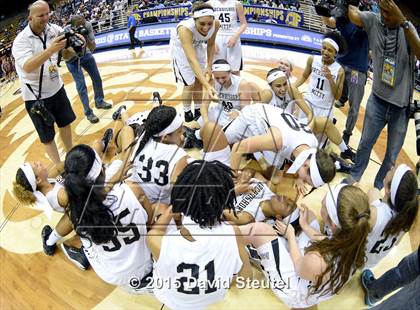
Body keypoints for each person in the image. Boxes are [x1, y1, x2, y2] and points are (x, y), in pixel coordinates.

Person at [238, 184, 371, 308]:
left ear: (334, 225)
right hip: (314, 271)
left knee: (260, 231)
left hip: (295, 288)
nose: (321, 202)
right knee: (309, 217)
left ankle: (230, 235)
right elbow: (327, 240)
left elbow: (299, 266)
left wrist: (290, 235)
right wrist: (305, 226)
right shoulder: (354, 235)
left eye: (323, 205)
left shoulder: (318, 259)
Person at [147, 160, 252, 310]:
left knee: (159, 211)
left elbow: (155, 231)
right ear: (224, 201)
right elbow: (246, 278)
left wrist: (174, 207)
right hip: (213, 296)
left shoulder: (156, 240)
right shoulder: (232, 231)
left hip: (170, 298)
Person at [347, 0, 420, 189]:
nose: (384, 16)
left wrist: (403, 22)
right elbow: (354, 15)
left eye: (389, 13)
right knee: (364, 145)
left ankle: (379, 186)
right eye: (382, 11)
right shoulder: (373, 20)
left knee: (391, 156)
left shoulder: (408, 28)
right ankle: (355, 175)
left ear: (399, 11)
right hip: (377, 101)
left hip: (401, 107)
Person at [63, 144, 153, 292]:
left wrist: (111, 183)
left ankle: (82, 255)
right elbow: (149, 223)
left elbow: (95, 201)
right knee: (159, 209)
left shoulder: (74, 214)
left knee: (90, 246)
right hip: (144, 263)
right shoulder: (132, 188)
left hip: (112, 274)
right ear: (102, 170)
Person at [12, 0, 76, 164]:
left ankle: (70, 156)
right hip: (35, 97)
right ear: (30, 18)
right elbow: (27, 66)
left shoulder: (53, 29)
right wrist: (51, 50)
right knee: (47, 137)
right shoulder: (21, 41)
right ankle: (58, 166)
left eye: (48, 13)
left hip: (57, 88)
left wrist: (75, 40)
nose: (46, 18)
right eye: (41, 15)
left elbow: (67, 44)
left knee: (65, 123)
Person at [225, 103, 337, 193]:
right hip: (252, 116)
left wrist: (300, 178)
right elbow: (237, 148)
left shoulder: (312, 145)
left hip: (274, 127)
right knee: (222, 143)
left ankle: (256, 148)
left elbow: (305, 164)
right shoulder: (278, 141)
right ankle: (236, 117)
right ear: (305, 165)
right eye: (307, 181)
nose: (306, 183)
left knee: (276, 179)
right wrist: (233, 181)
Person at [320, 14, 369, 146]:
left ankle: (347, 133)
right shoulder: (344, 18)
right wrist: (321, 12)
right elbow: (330, 22)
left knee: (355, 104)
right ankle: (327, 119)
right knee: (327, 91)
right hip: (340, 63)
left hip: (356, 70)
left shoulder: (366, 20)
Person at [169, 1, 220, 122]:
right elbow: (192, 60)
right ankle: (187, 111)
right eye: (202, 23)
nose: (206, 27)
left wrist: (209, 66)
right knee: (190, 84)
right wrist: (207, 86)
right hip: (181, 49)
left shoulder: (216, 24)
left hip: (197, 46)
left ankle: (197, 109)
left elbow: (211, 44)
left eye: (209, 23)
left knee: (198, 82)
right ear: (194, 20)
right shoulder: (184, 28)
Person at [364, 164, 418, 269]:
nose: (390, 168)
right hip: (371, 263)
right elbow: (396, 243)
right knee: (374, 192)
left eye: (392, 170)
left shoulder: (374, 215)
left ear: (388, 189)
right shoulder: (406, 219)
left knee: (371, 191)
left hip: (355, 260)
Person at [62, 15, 112, 124]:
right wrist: (77, 49)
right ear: (73, 25)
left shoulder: (87, 25)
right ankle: (88, 112)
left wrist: (85, 38)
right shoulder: (66, 31)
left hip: (86, 54)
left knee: (97, 78)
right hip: (71, 58)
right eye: (79, 25)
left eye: (83, 23)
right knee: (81, 85)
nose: (82, 25)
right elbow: (64, 54)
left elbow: (92, 47)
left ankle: (99, 101)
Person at [294, 33, 345, 121]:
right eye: (324, 48)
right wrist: (293, 86)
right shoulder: (312, 59)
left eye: (330, 50)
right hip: (308, 103)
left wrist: (330, 78)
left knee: (318, 134)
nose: (325, 52)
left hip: (324, 109)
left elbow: (337, 96)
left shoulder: (339, 70)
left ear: (335, 53)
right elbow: (304, 76)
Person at [199, 59, 260, 128]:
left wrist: (239, 113)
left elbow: (245, 110)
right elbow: (204, 106)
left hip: (236, 114)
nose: (221, 81)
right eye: (217, 78)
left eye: (223, 77)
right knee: (198, 124)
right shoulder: (213, 83)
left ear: (230, 73)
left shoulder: (242, 84)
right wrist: (207, 123)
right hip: (220, 111)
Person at [208, 0, 248, 75]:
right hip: (217, 36)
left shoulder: (236, 3)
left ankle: (235, 86)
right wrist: (212, 41)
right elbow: (207, 25)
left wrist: (235, 37)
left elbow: (244, 24)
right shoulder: (210, 3)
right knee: (217, 69)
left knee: (235, 70)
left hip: (232, 36)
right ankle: (217, 87)